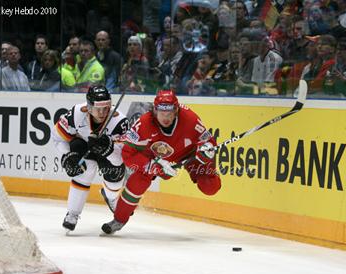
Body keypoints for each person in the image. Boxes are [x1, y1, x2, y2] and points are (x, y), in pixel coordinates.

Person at [101, 90, 221, 234]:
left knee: (210, 186)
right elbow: (127, 154)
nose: (166, 117)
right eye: (162, 112)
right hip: (154, 158)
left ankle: (210, 176)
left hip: (188, 154)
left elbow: (209, 142)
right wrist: (153, 166)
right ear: (155, 110)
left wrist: (206, 151)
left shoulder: (190, 118)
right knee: (138, 181)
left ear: (176, 110)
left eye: (170, 113)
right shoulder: (143, 123)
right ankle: (119, 219)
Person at [52, 85, 129, 232]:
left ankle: (111, 197)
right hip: (85, 147)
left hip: (110, 155)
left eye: (106, 108)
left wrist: (108, 148)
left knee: (114, 171)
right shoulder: (76, 114)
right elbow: (57, 137)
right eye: (97, 108)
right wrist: (66, 155)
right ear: (88, 107)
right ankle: (73, 213)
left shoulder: (120, 121)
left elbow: (121, 159)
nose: (102, 113)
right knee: (83, 169)